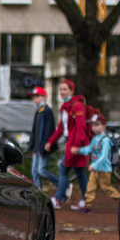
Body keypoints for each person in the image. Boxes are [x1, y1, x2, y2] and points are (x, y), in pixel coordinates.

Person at [45, 79, 89, 209]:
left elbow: (81, 127)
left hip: (75, 143)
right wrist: (51, 141)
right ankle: (87, 200)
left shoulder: (77, 106)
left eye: (65, 89)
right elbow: (61, 128)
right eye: (61, 89)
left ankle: (59, 199)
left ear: (72, 91)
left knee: (63, 169)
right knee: (79, 172)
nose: (62, 92)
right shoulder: (66, 107)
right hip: (72, 142)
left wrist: (77, 144)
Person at [69, 114, 120, 213]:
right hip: (95, 169)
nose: (94, 127)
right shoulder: (95, 139)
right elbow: (89, 149)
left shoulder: (106, 140)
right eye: (93, 125)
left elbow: (104, 157)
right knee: (90, 187)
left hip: (104, 170)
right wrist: (79, 150)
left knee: (106, 188)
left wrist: (94, 165)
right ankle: (88, 205)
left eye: (97, 125)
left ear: (104, 126)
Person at [27, 86, 59, 190]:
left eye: (37, 96)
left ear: (44, 97)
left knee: (42, 170)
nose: (34, 99)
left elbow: (48, 130)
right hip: (37, 148)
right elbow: (35, 131)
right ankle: (38, 193)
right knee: (34, 172)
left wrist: (42, 147)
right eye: (33, 97)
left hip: (43, 147)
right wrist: (33, 148)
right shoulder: (39, 111)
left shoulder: (47, 111)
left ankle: (62, 185)